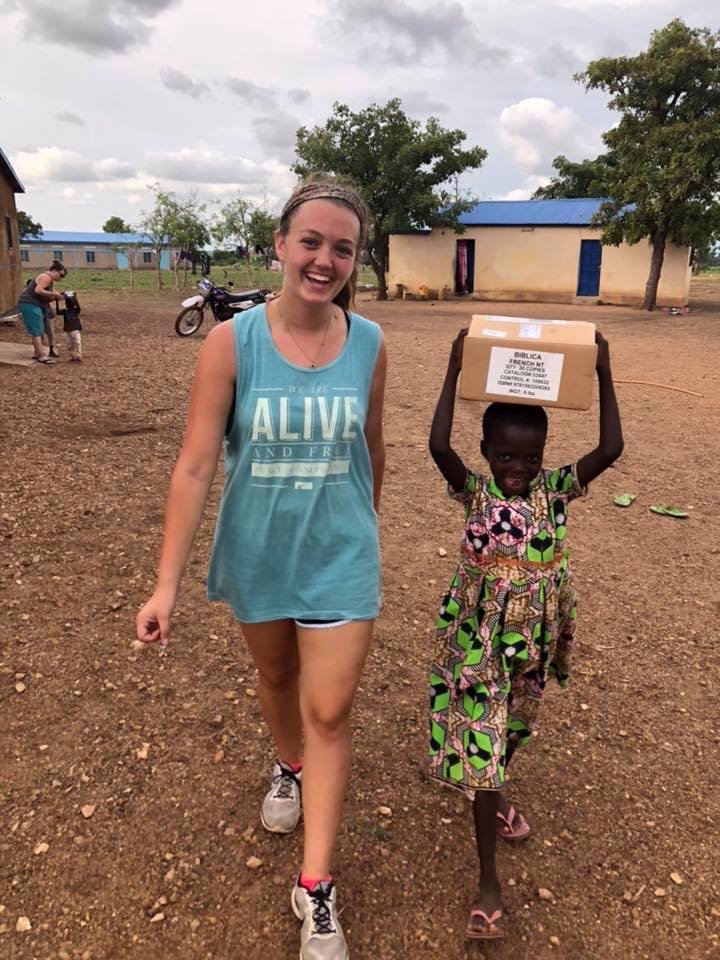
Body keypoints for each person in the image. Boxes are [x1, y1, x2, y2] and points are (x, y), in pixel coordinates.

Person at [136, 175, 386, 960]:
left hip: (341, 557)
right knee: (277, 681)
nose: (324, 260)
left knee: (331, 712)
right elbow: (195, 464)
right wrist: (167, 582)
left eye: (341, 248)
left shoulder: (371, 343)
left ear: (355, 260)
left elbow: (372, 450)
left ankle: (316, 888)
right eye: (310, 241)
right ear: (280, 245)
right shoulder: (229, 342)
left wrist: (361, 525)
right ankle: (287, 768)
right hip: (258, 552)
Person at [427, 329, 623, 941]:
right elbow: (436, 443)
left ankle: (497, 791)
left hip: (531, 645)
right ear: (486, 451)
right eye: (506, 457)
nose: (518, 471)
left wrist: (605, 372)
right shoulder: (474, 492)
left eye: (530, 459)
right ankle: (488, 883)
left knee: (512, 731)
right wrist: (455, 369)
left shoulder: (557, 492)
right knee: (481, 753)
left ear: (544, 456)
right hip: (477, 643)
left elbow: (612, 446)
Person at [18, 260, 66, 363]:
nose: (61, 278)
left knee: (39, 329)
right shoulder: (46, 277)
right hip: (29, 304)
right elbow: (38, 290)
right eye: (61, 275)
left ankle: (37, 353)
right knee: (37, 331)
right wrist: (54, 294)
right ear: (54, 271)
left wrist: (54, 296)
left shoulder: (49, 279)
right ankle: (41, 355)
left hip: (34, 304)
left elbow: (43, 296)